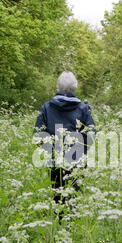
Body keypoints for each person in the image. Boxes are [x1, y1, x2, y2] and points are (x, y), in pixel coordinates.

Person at [33, 71, 96, 211]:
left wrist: (50, 150)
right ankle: (70, 226)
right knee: (73, 197)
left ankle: (57, 226)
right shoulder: (82, 108)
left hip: (55, 159)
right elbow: (91, 136)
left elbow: (38, 135)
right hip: (77, 161)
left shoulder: (47, 107)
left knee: (57, 196)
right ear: (74, 89)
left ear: (58, 88)